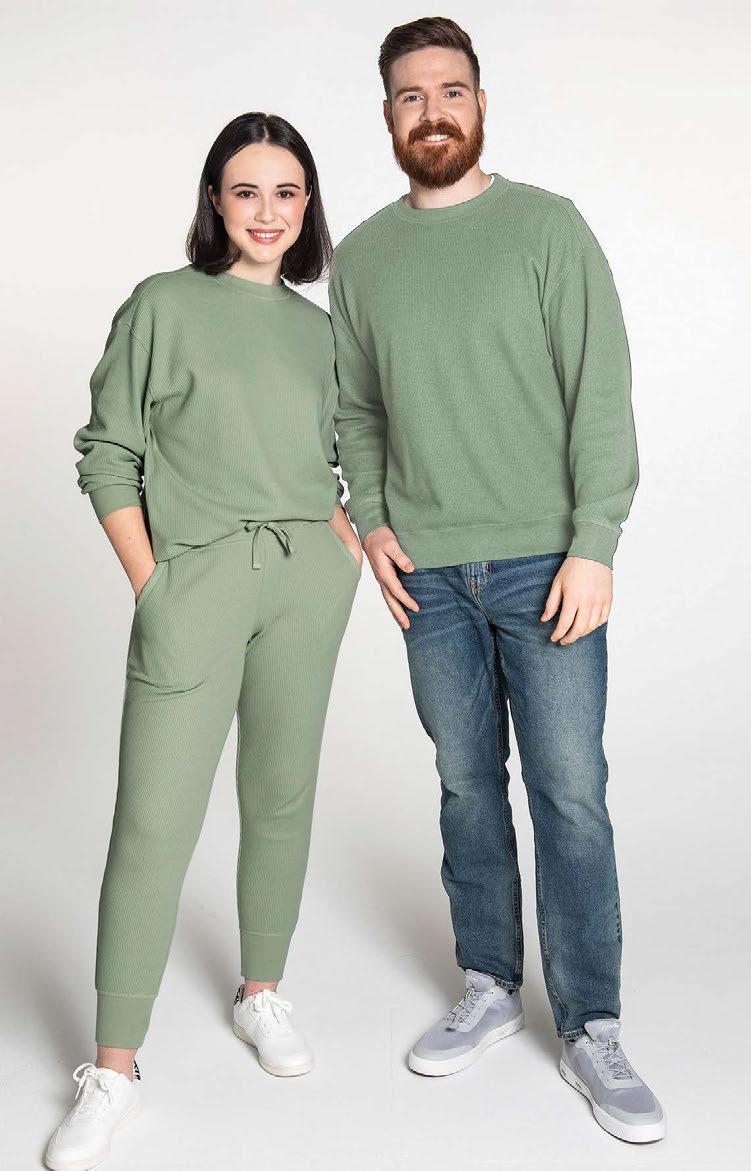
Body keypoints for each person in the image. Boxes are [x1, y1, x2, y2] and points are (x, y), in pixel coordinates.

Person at [330, 16, 665, 1144]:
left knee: (569, 790)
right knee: (466, 784)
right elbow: (357, 411)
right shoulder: (362, 258)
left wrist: (595, 540)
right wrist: (372, 520)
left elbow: (600, 388)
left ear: (480, 103)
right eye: (410, 95)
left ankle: (591, 1024)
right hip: (427, 574)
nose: (432, 111)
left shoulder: (545, 227)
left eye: (450, 90)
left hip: (544, 561)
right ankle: (487, 981)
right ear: (388, 115)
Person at [46, 112, 361, 1171]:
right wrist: (156, 583)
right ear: (214, 201)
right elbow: (107, 451)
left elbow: (341, 453)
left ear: (307, 206)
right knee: (154, 820)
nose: (267, 211)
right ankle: (113, 1068)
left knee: (279, 794)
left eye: (287, 191)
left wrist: (341, 539)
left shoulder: (321, 331)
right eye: (246, 190)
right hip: (196, 582)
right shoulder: (162, 306)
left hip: (306, 584)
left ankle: (261, 992)